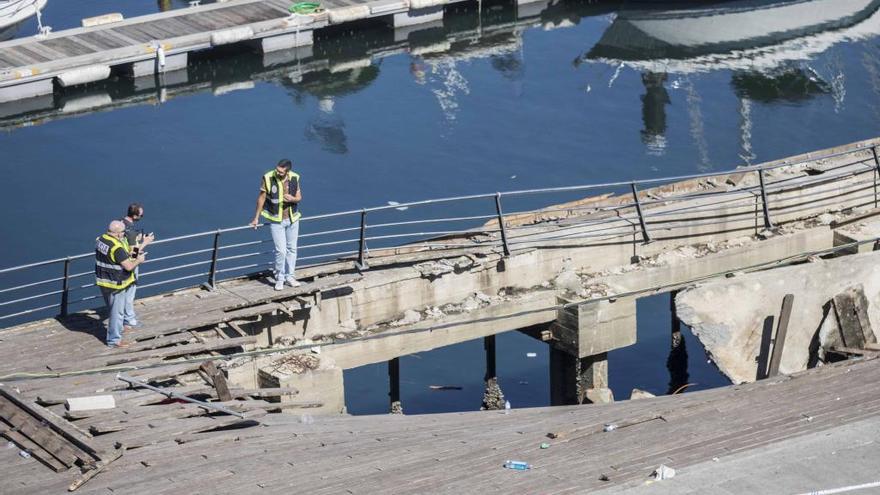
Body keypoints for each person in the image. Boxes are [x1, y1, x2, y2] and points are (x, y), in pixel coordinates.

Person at [250, 159, 302, 291]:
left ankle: (290, 277)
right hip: (276, 220)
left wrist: (293, 199)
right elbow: (261, 198)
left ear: (287, 171)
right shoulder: (268, 177)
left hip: (292, 219)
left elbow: (299, 197)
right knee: (281, 251)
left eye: (281, 171)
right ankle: (280, 278)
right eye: (277, 170)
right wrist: (256, 218)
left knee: (292, 249)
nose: (277, 172)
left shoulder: (295, 177)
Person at [95, 220, 146, 348]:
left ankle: (117, 332)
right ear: (117, 234)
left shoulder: (101, 240)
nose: (125, 234)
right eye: (123, 233)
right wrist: (139, 259)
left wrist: (133, 248)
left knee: (113, 310)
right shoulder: (116, 247)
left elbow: (122, 255)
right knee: (117, 313)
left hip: (103, 281)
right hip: (116, 284)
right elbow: (129, 266)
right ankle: (114, 340)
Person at [121, 203, 154, 330]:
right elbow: (133, 254)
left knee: (123, 293)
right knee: (130, 292)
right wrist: (145, 242)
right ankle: (129, 320)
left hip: (119, 262)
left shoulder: (121, 223)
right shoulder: (131, 232)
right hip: (130, 264)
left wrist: (137, 239)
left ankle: (125, 317)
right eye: (141, 215)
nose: (142, 217)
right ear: (135, 216)